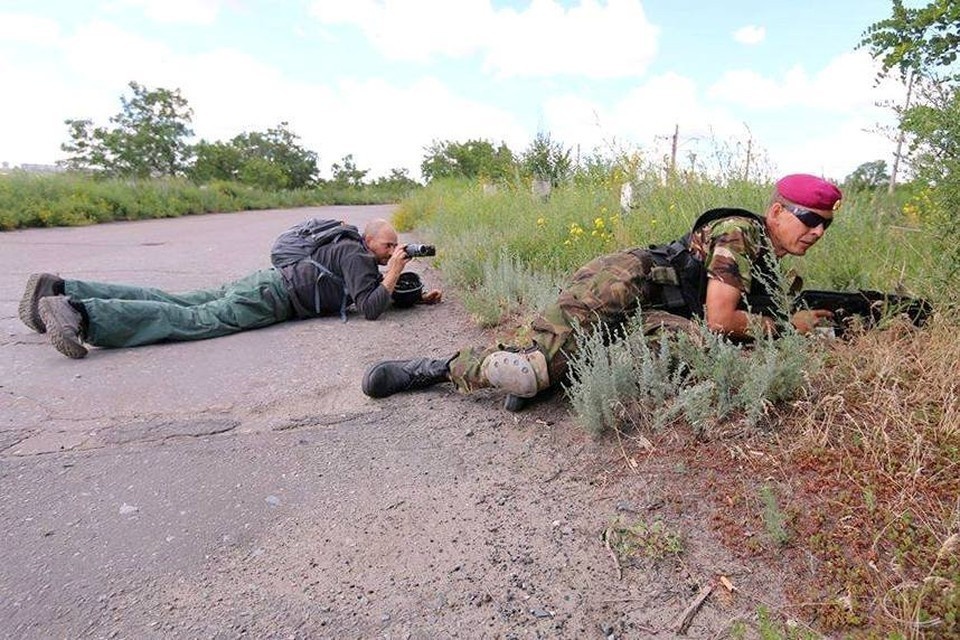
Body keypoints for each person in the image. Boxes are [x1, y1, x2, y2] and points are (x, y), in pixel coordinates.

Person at [361, 174, 841, 411]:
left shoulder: (770, 264)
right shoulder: (740, 233)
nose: (817, 231)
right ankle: (430, 370)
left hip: (656, 310)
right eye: (809, 218)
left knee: (694, 350)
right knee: (528, 371)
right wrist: (786, 328)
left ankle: (560, 375)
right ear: (777, 211)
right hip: (623, 281)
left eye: (825, 225)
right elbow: (722, 319)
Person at [19, 218, 441, 359]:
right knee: (193, 319)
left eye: (395, 247)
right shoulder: (356, 256)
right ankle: (80, 313)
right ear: (369, 241)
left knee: (177, 300)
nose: (393, 251)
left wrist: (416, 296)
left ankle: (57, 287)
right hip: (272, 297)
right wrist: (391, 273)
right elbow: (370, 306)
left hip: (265, 283)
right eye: (388, 245)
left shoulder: (346, 247)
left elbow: (363, 293)